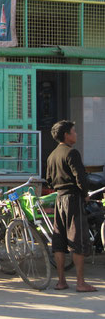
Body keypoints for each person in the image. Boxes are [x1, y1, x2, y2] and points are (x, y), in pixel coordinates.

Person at [46, 120, 97, 292]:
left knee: (59, 242)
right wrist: (85, 194)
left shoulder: (52, 155)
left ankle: (61, 281)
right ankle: (80, 283)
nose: (76, 134)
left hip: (59, 199)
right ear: (66, 135)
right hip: (73, 200)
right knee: (78, 240)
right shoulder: (72, 153)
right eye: (73, 131)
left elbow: (49, 180)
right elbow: (81, 178)